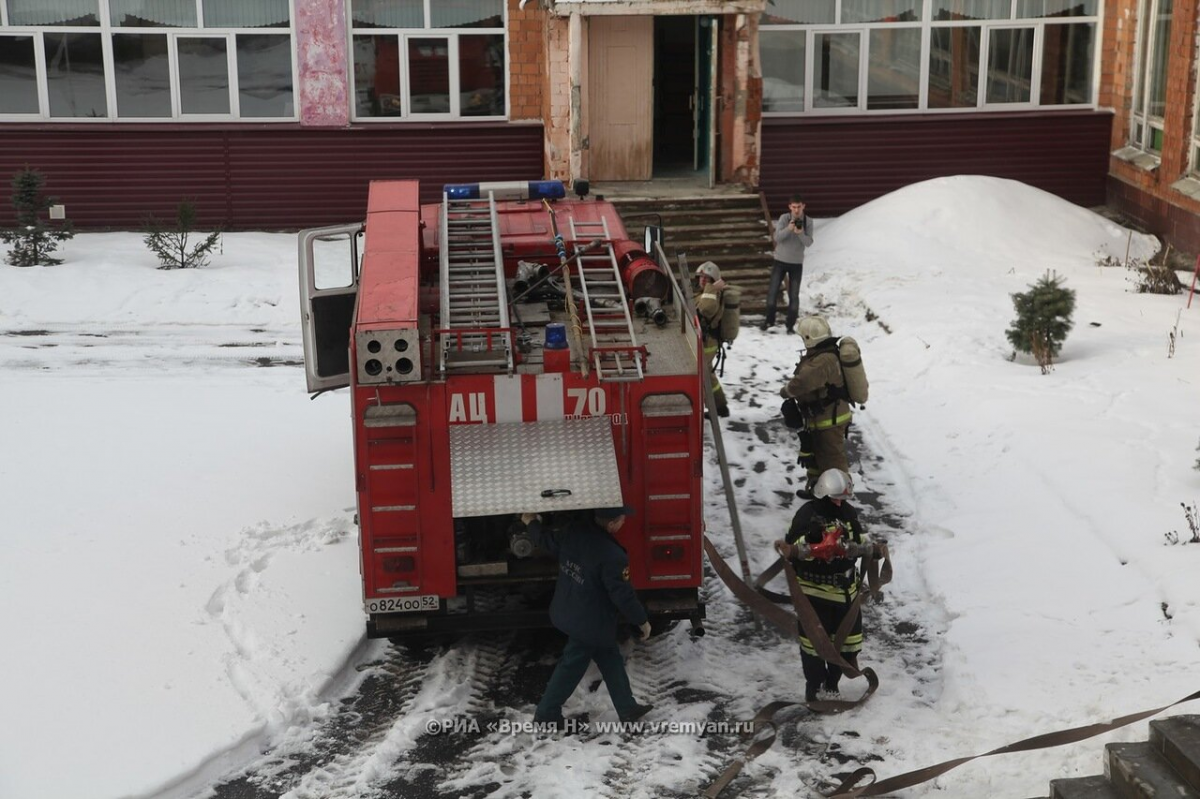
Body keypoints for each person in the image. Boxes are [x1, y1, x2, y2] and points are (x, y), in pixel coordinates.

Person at [524, 505, 654, 728]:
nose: (624, 522)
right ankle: (546, 713)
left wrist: (531, 523)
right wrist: (641, 620)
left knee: (610, 656)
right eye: (622, 519)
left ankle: (627, 708)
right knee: (572, 663)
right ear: (613, 524)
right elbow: (623, 596)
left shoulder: (575, 533)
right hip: (590, 621)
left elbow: (547, 541)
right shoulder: (613, 556)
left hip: (571, 609)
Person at [772, 469, 869, 703]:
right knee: (814, 646)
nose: (839, 503)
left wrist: (867, 548)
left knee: (848, 645)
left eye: (842, 498)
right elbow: (793, 549)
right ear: (823, 495)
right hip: (815, 595)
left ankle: (832, 683)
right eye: (835, 498)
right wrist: (811, 540)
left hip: (846, 593)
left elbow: (860, 539)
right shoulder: (806, 515)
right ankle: (814, 688)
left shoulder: (847, 513)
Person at [781, 314, 851, 497]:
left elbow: (802, 382)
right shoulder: (823, 354)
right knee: (816, 458)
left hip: (829, 420)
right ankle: (817, 490)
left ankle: (839, 498)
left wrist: (786, 391)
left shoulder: (822, 361)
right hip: (819, 417)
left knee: (832, 460)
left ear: (808, 339)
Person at [763, 195, 813, 334]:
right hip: (780, 261)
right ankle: (769, 321)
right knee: (772, 292)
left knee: (794, 295)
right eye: (794, 207)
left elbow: (809, 242)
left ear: (803, 206)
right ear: (790, 207)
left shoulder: (808, 221)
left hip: (796, 264)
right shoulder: (784, 218)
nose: (796, 210)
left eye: (799, 207)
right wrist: (789, 229)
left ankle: (790, 325)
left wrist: (801, 233)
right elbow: (777, 237)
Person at [695, 261, 730, 417]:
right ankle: (721, 407)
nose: (702, 281)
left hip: (708, 343)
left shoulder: (712, 294)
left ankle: (708, 409)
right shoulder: (708, 293)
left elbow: (706, 309)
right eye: (701, 277)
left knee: (701, 375)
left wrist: (711, 288)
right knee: (707, 374)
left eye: (707, 278)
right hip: (707, 341)